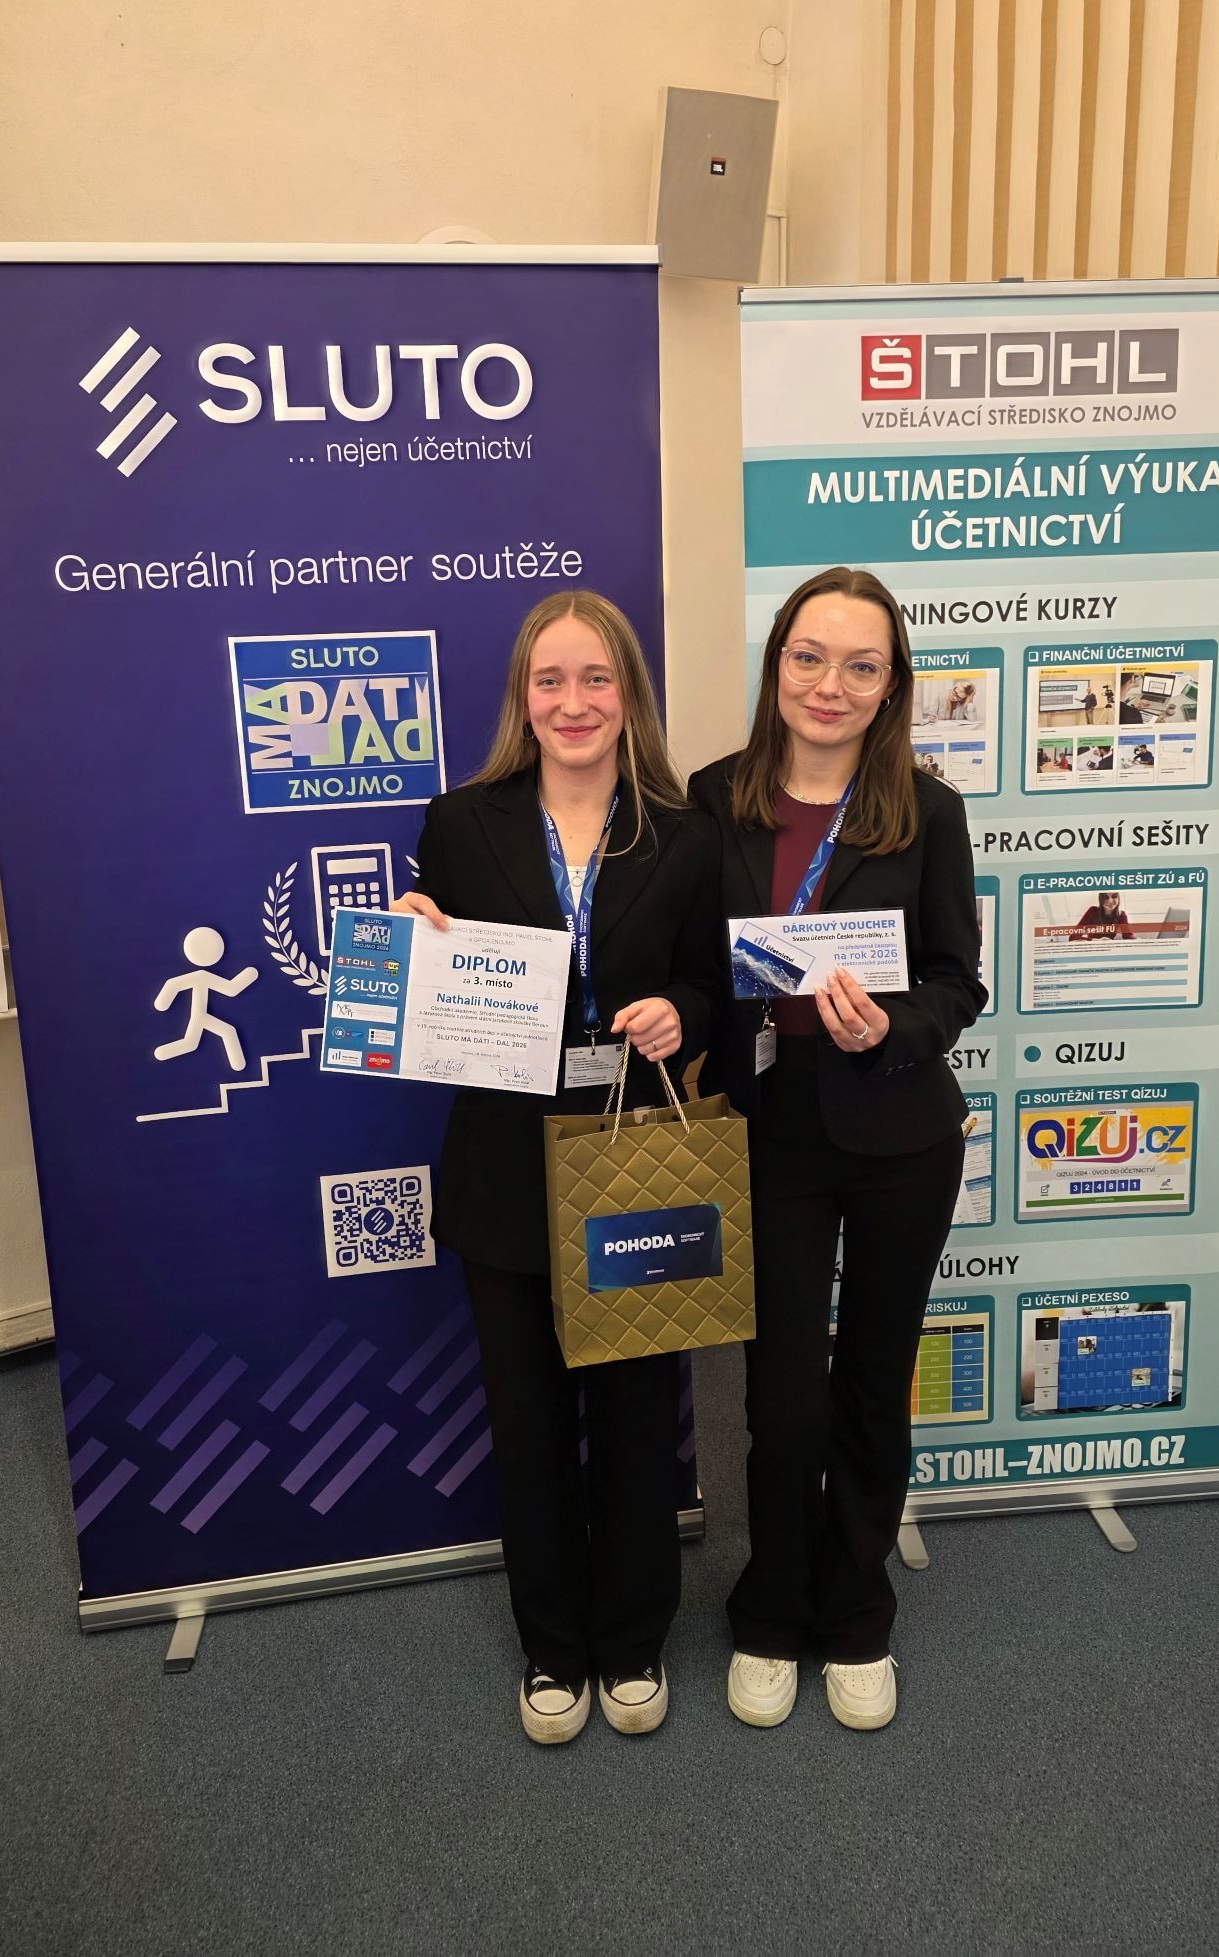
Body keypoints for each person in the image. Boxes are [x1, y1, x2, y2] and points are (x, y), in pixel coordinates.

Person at [394, 591, 720, 1746]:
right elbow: (430, 984)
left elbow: (713, 987)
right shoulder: (461, 821)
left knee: (635, 1418)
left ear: (628, 695)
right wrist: (411, 940)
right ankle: (552, 1649)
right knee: (527, 1423)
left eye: (595, 679)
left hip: (633, 1157)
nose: (573, 702)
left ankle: (630, 1641)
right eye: (550, 681)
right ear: (521, 700)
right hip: (504, 1162)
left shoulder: (683, 833)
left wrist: (681, 1014)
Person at [692, 566, 985, 1734]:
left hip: (898, 1131)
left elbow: (957, 982)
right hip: (770, 1131)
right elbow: (667, 952)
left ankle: (857, 1612)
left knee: (871, 1382)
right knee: (782, 1401)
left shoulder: (927, 811)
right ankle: (771, 1609)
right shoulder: (712, 800)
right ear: (777, 662)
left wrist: (889, 1029)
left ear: (890, 684)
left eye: (861, 666)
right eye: (809, 657)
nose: (830, 684)